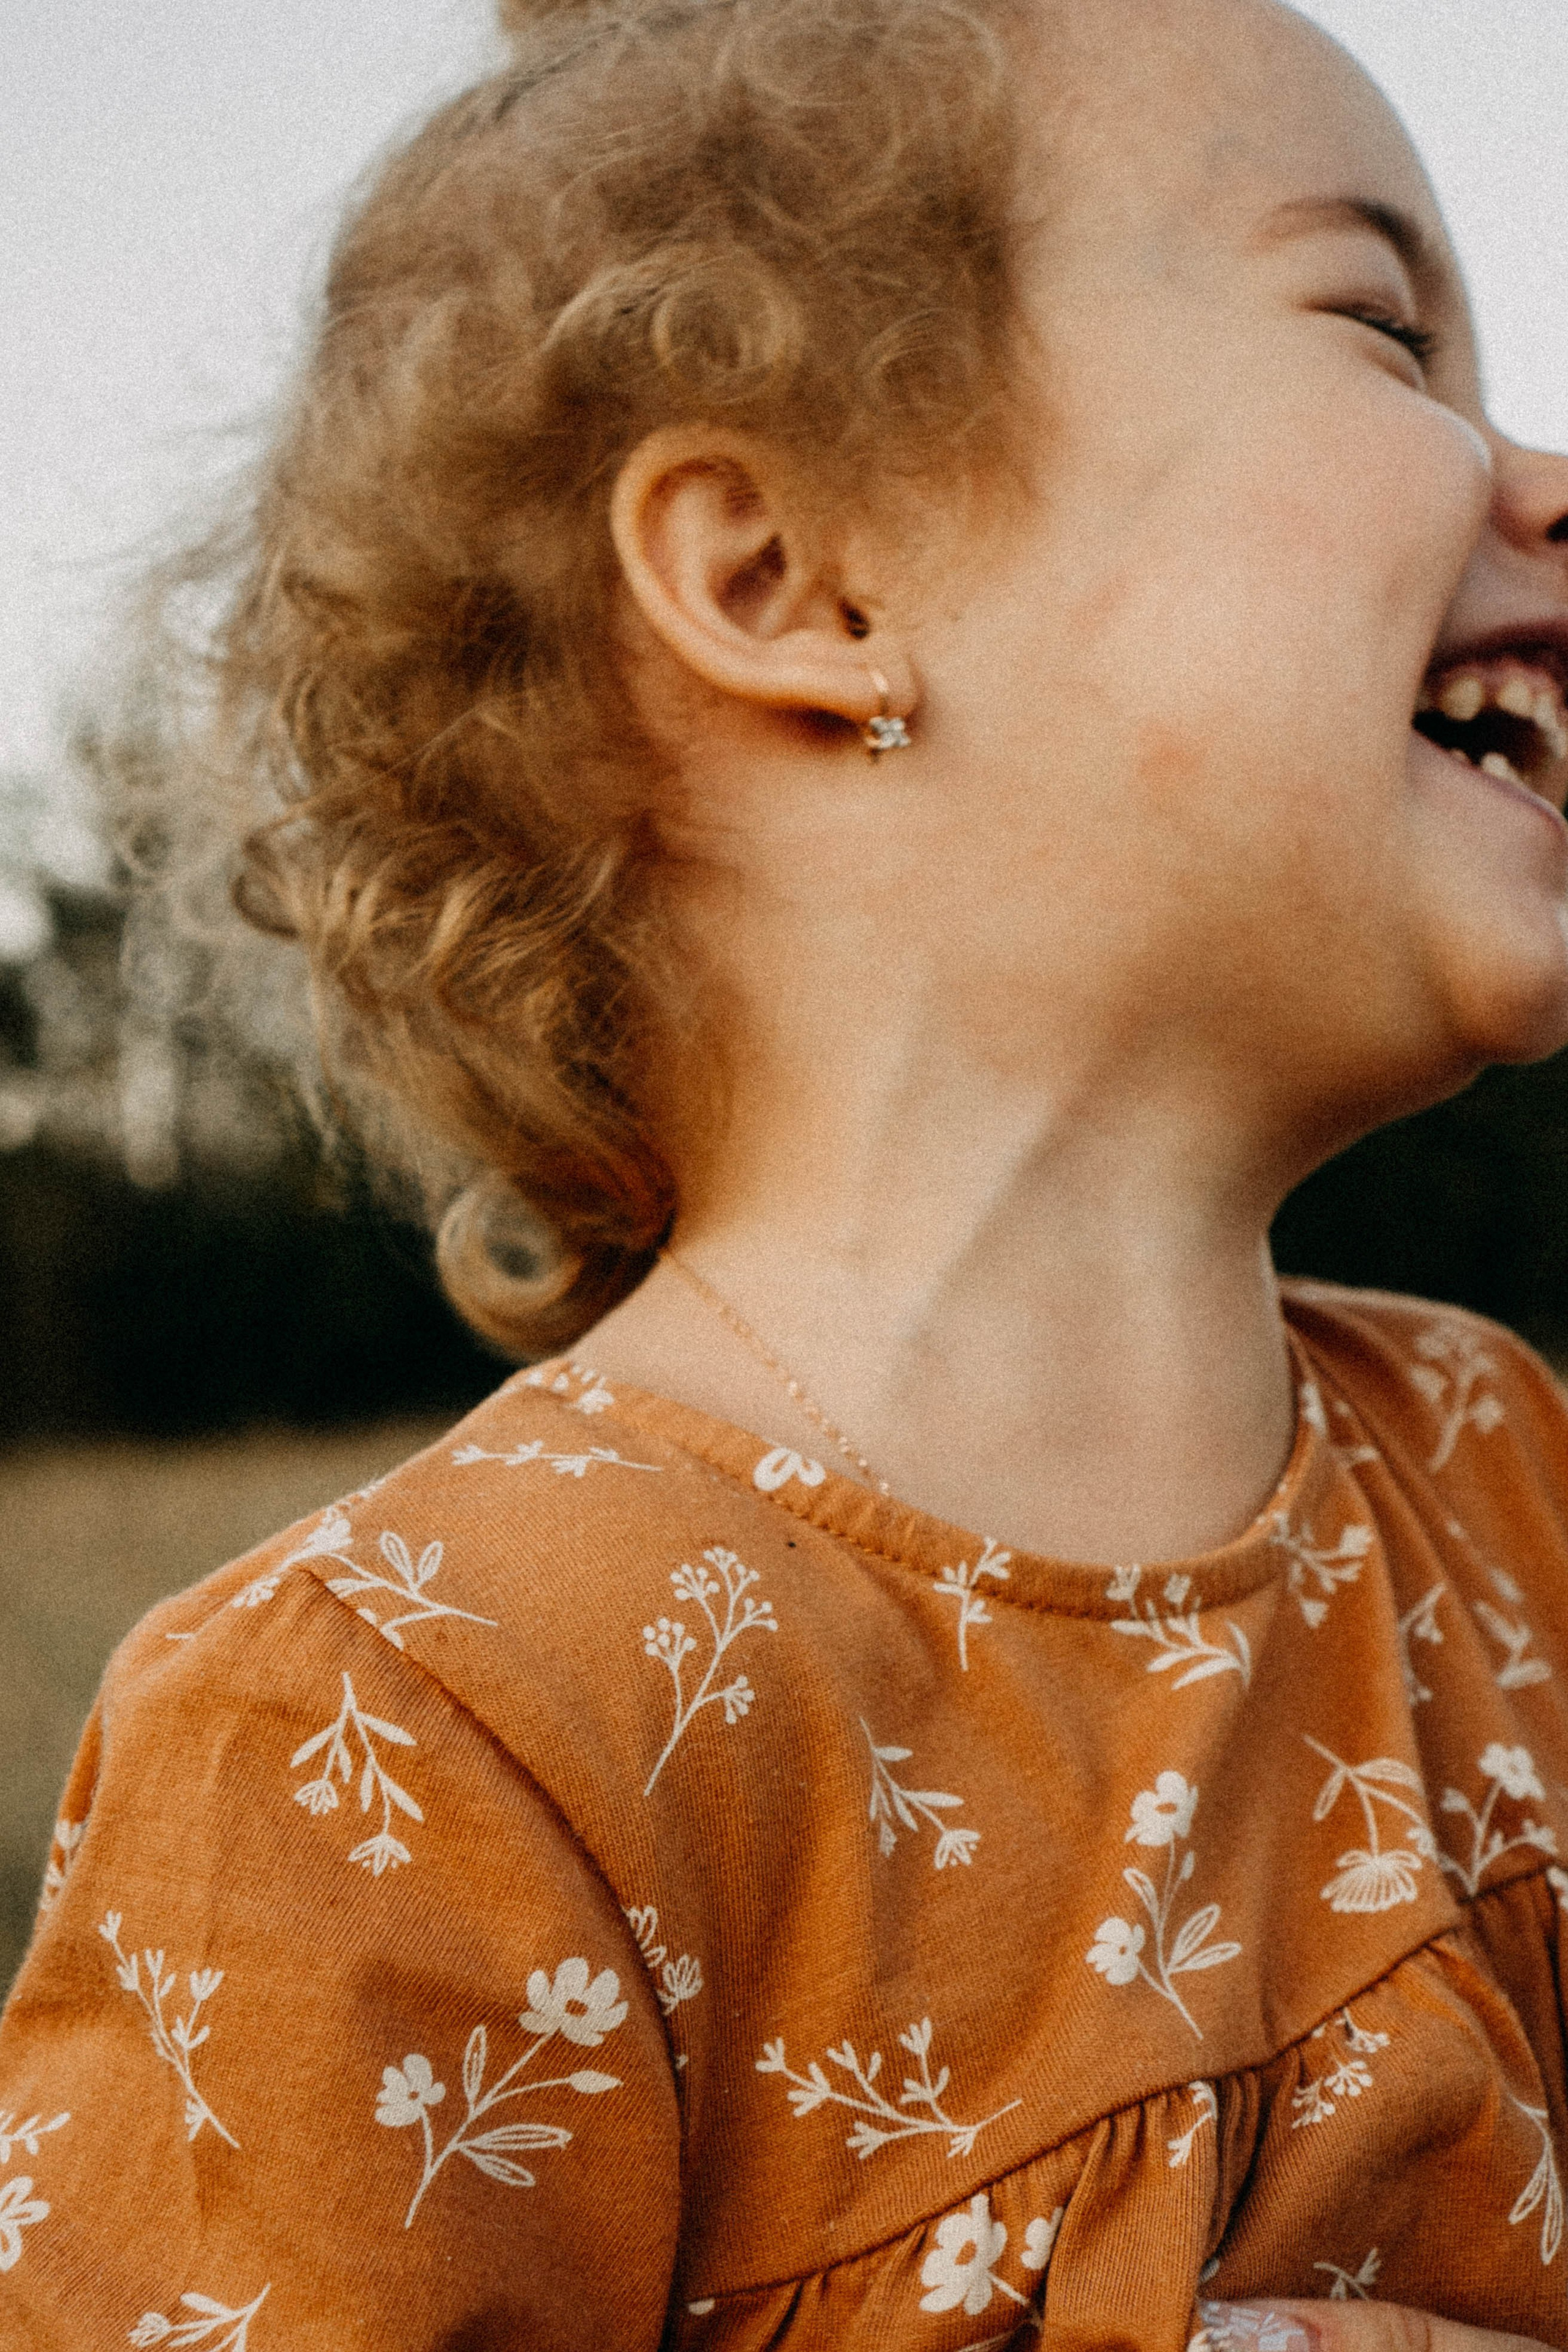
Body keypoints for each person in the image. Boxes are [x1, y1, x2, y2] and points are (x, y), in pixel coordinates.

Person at [4, 0, 1568, 2342]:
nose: (1535, 466)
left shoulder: (1507, 1481)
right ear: (793, 582)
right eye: (1379, 326)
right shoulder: (409, 1737)